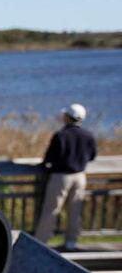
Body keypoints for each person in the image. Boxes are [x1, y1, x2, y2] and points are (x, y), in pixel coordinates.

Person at [34, 103, 97, 250]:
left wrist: (45, 166)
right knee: (75, 210)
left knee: (51, 209)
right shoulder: (88, 136)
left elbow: (50, 157)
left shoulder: (61, 135)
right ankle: (71, 241)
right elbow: (92, 156)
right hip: (80, 176)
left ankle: (41, 241)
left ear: (68, 117)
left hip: (61, 176)